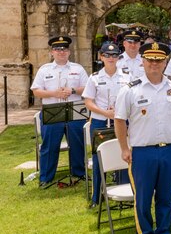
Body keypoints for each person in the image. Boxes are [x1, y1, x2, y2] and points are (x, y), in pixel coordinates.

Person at [114, 42, 171, 234]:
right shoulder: (130, 90)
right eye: (150, 60)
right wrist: (124, 147)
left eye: (159, 60)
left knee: (166, 196)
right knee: (143, 198)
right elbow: (120, 120)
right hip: (142, 151)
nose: (154, 64)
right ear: (143, 62)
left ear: (165, 62)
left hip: (168, 149)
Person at [30, 36, 89, 187]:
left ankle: (80, 173)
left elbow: (88, 88)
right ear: (52, 52)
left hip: (75, 112)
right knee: (49, 146)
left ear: (69, 52)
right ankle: (46, 178)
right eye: (57, 49)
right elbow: (36, 91)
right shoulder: (44, 70)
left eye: (64, 49)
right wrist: (53, 94)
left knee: (78, 144)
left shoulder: (78, 68)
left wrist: (73, 90)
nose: (61, 52)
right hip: (52, 112)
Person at [82, 42, 130, 206]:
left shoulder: (127, 76)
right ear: (101, 57)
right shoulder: (94, 77)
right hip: (100, 121)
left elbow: (132, 98)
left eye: (115, 55)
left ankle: (124, 191)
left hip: (122, 121)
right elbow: (88, 102)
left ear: (118, 57)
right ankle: (97, 196)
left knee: (125, 154)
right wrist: (105, 112)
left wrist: (119, 111)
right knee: (99, 158)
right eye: (107, 55)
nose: (111, 58)